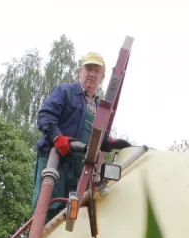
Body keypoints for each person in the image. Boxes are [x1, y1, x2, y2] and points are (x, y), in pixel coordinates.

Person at [31, 51, 131, 221]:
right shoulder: (65, 91)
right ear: (80, 71)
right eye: (88, 69)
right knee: (50, 211)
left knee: (73, 214)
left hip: (80, 168)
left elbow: (99, 138)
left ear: (102, 77)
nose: (92, 74)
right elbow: (45, 116)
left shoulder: (100, 107)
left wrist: (111, 142)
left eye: (96, 71)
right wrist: (57, 137)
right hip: (55, 161)